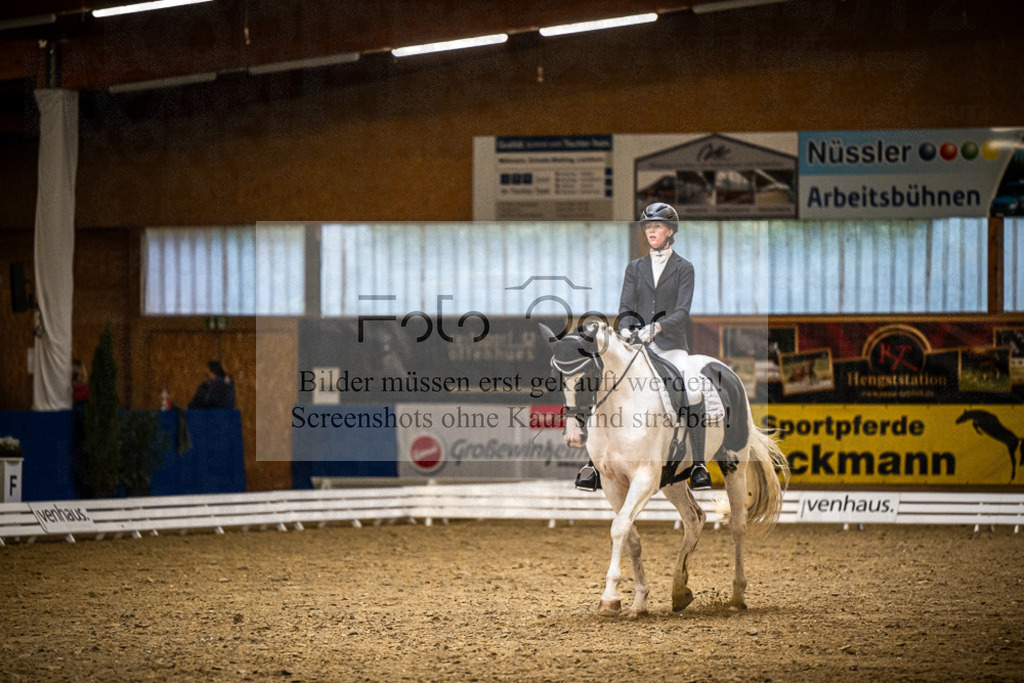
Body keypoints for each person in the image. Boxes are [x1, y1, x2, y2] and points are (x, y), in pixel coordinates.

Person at [575, 202, 711, 492]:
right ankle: (594, 463)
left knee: (693, 386)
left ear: (670, 231)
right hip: (636, 346)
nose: (651, 231)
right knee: (603, 384)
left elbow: (682, 312)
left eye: (657, 226)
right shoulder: (635, 267)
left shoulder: (684, 268)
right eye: (648, 227)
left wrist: (657, 327)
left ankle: (698, 464)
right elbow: (625, 306)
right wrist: (625, 327)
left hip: (671, 344)